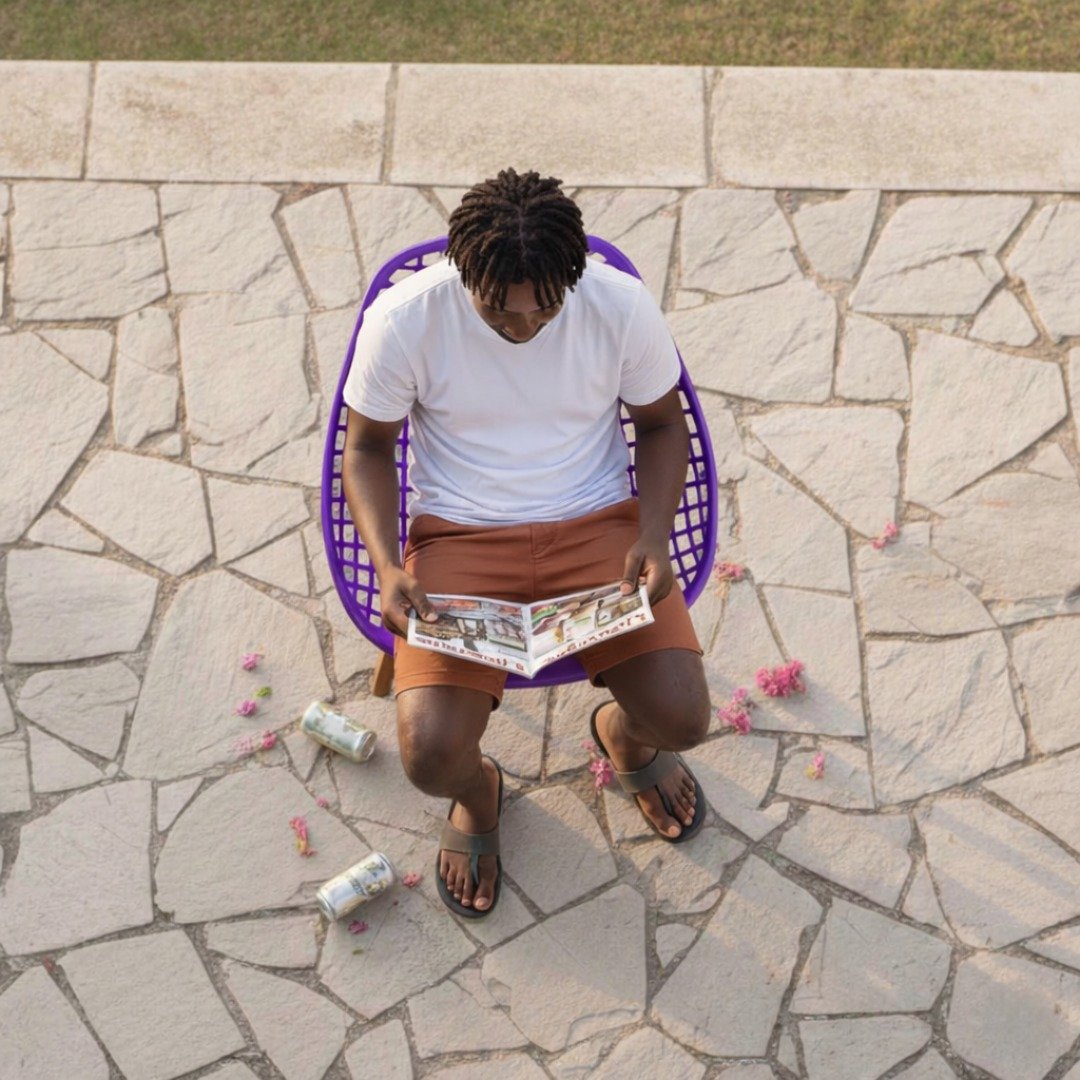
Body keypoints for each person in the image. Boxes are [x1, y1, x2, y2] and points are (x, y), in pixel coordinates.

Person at [341, 168, 711, 918]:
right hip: (459, 537)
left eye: (543, 308)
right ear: (463, 272)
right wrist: (387, 564)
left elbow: (663, 425)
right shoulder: (406, 317)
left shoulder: (617, 305)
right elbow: (368, 449)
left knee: (684, 720)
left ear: (570, 276)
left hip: (600, 526)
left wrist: (651, 533)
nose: (523, 326)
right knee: (429, 757)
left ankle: (624, 736)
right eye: (499, 311)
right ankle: (480, 797)